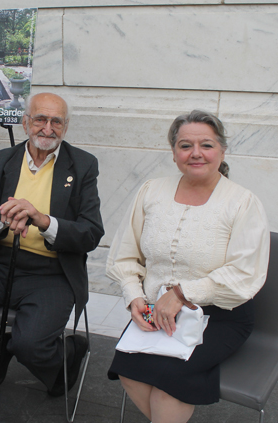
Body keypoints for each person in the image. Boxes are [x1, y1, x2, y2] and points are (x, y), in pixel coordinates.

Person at [106, 110, 270, 422]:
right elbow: (125, 255)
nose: (196, 153)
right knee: (127, 369)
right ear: (173, 153)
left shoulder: (242, 202)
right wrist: (134, 296)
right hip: (156, 310)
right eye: (185, 145)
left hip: (220, 315)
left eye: (206, 145)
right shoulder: (151, 191)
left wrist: (182, 294)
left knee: (172, 383)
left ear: (222, 150)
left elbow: (244, 274)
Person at [0, 92, 104, 396]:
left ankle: (66, 356)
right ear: (26, 122)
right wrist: (3, 216)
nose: (48, 128)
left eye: (56, 121)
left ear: (65, 127)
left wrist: (42, 220)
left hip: (52, 273)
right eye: (40, 119)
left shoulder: (82, 166)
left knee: (31, 346)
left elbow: (91, 234)